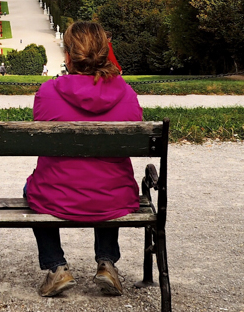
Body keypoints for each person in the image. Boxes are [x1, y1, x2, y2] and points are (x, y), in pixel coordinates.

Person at [24, 21, 143, 298]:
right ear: (104, 52)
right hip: (114, 197)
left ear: (68, 56)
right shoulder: (126, 93)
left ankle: (56, 267)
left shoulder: (48, 91)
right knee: (107, 179)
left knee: (31, 188)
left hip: (56, 195)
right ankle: (107, 262)